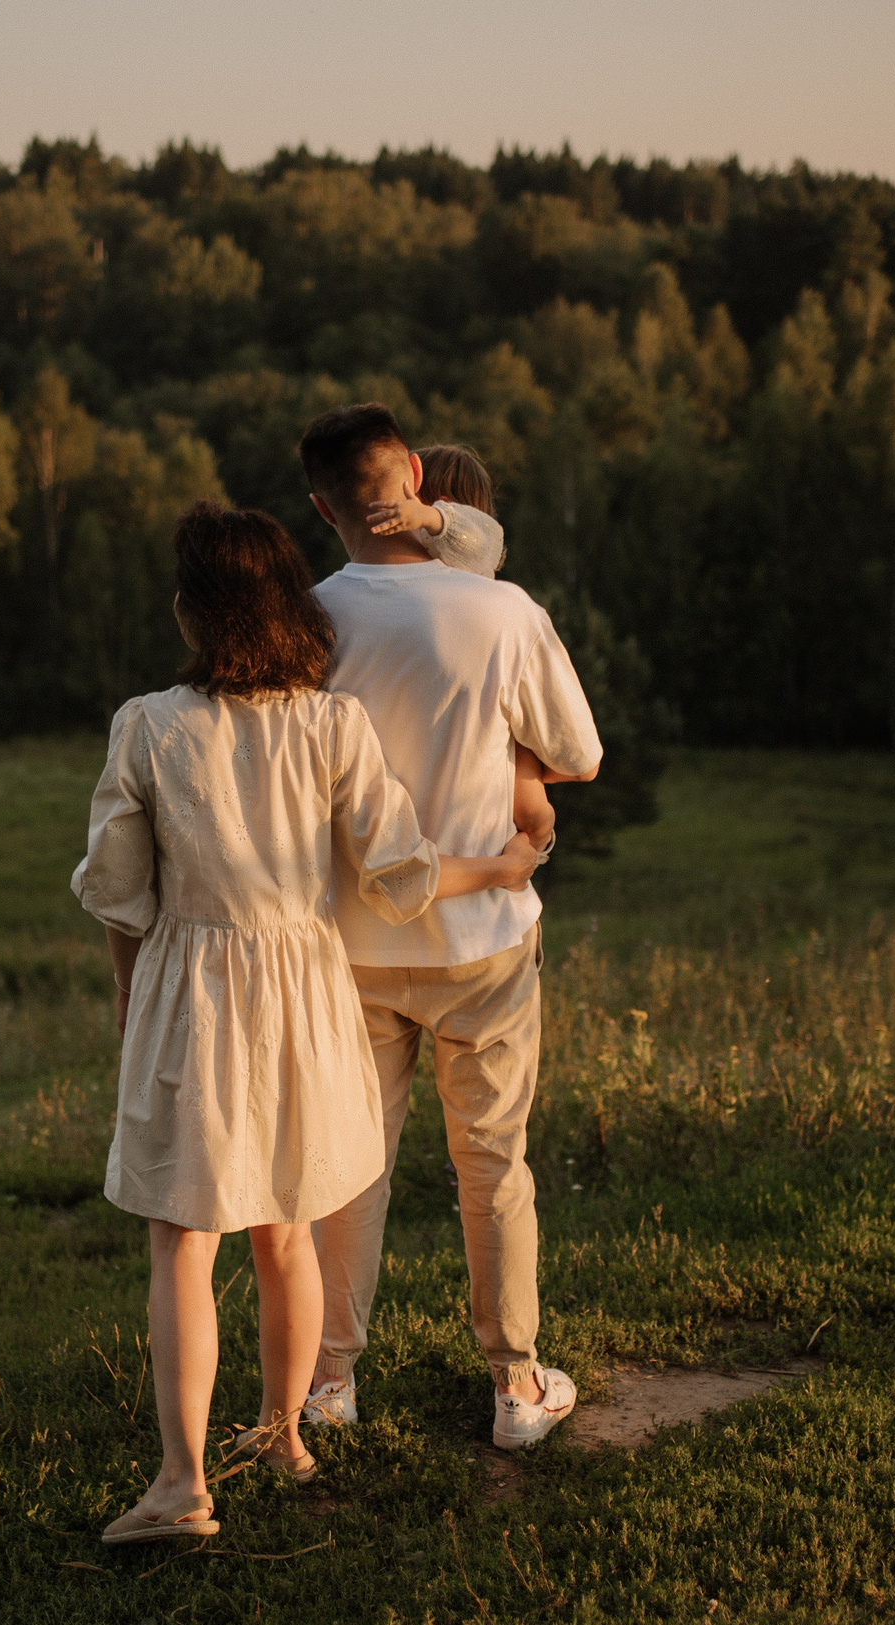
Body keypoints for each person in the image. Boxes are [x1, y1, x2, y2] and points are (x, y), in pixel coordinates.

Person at [72, 501, 539, 1544]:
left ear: (191, 611)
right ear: (290, 607)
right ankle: (284, 1431)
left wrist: (123, 996)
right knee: (286, 1228)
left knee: (184, 1240)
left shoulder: (148, 724)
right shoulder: (331, 724)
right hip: (306, 993)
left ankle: (181, 1484)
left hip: (195, 987)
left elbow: (117, 893)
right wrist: (500, 866)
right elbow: (400, 867)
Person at [297, 403, 604, 1450]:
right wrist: (513, 762)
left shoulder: (306, 621)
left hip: (347, 941)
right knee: (490, 1160)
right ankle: (515, 1380)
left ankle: (327, 1384)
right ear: (416, 479)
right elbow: (580, 750)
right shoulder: (503, 610)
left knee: (349, 1166)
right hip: (481, 935)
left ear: (320, 505)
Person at [364, 443, 558, 860]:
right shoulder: (496, 604)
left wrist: (428, 517)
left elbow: (485, 538)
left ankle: (532, 847)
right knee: (532, 806)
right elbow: (579, 764)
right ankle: (532, 849)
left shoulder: (470, 548)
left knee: (533, 808)